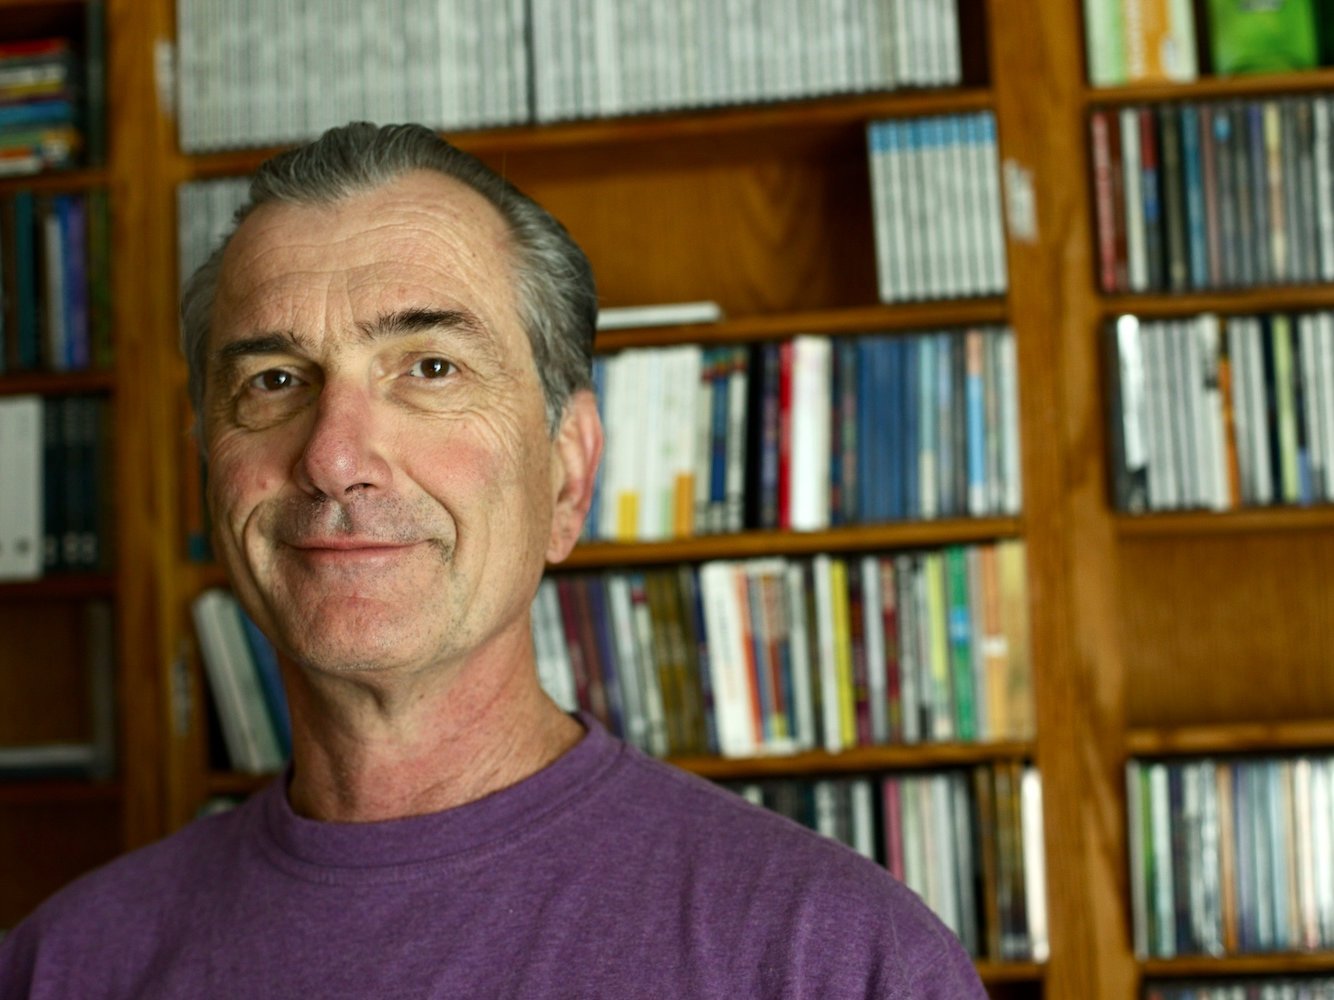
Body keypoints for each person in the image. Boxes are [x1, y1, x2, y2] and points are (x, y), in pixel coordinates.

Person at [0, 123, 987, 998]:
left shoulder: (834, 961)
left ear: (566, 475)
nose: (334, 456)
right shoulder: (62, 967)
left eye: (430, 368)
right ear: (210, 471)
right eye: (273, 380)